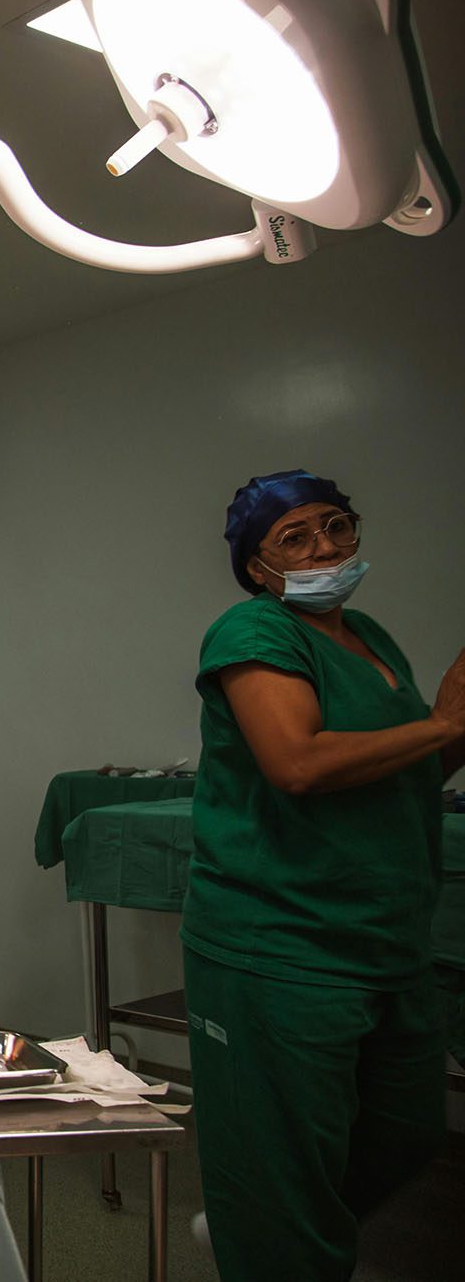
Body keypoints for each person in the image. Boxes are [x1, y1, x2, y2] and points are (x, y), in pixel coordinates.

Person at [186, 468, 465, 1280]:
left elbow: (414, 763)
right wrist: (442, 721)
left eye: (336, 525)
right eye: (295, 536)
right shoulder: (253, 632)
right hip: (279, 943)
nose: (326, 546)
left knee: (411, 1130)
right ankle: (266, 1243)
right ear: (256, 566)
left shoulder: (371, 638)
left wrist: (453, 734)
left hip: (382, 939)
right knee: (280, 1163)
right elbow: (298, 762)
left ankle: (264, 1233)